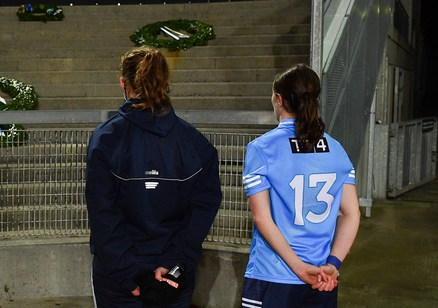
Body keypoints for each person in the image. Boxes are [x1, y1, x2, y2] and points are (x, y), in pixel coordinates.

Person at [85, 46, 223, 308]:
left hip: (119, 281)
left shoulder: (105, 139)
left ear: (123, 85)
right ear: (165, 83)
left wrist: (133, 275)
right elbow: (201, 215)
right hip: (172, 279)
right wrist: (174, 266)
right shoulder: (197, 145)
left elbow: (103, 217)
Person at [242, 64, 361, 308]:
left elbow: (262, 219)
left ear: (279, 99)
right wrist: (332, 265)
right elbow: (351, 213)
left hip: (273, 275)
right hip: (322, 278)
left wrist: (299, 268)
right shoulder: (337, 149)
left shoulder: (262, 148)